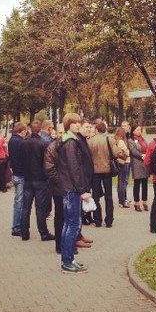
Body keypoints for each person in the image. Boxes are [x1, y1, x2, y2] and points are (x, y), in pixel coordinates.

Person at [57, 113, 92, 274]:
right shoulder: (70, 142)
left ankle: (69, 259)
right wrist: (82, 190)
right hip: (72, 189)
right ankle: (67, 262)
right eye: (74, 123)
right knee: (73, 225)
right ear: (68, 125)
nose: (78, 125)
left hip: (68, 188)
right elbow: (74, 168)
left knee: (68, 225)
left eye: (79, 122)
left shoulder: (67, 140)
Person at [21, 120, 55, 241]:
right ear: (40, 130)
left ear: (30, 129)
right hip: (40, 179)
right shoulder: (43, 143)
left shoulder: (24, 143)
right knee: (40, 208)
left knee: (26, 207)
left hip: (27, 179)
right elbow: (46, 162)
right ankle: (44, 233)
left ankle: (24, 233)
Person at [87, 122, 114, 227]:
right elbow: (116, 153)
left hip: (95, 171)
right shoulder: (109, 139)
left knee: (95, 196)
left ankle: (97, 219)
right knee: (109, 196)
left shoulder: (90, 141)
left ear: (96, 130)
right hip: (107, 170)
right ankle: (109, 220)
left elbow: (87, 155)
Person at [43, 124, 65, 254]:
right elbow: (49, 168)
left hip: (70, 187)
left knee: (70, 217)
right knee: (60, 216)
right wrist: (61, 181)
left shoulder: (71, 145)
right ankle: (59, 245)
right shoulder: (52, 147)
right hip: (58, 188)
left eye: (64, 132)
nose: (62, 135)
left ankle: (68, 244)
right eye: (60, 133)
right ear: (56, 134)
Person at [8, 122, 29, 237]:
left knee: (17, 200)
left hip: (15, 173)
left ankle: (17, 225)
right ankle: (16, 227)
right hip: (21, 174)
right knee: (20, 202)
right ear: (23, 131)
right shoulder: (21, 142)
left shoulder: (11, 140)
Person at [128, 124, 148, 212]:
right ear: (133, 131)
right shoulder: (131, 140)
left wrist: (147, 155)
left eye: (140, 130)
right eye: (137, 130)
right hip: (137, 163)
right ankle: (136, 203)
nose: (139, 131)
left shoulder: (143, 139)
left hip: (145, 163)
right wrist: (141, 156)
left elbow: (147, 147)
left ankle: (145, 201)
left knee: (145, 183)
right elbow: (133, 151)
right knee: (137, 183)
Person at [114, 126, 131, 208]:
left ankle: (121, 199)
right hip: (124, 162)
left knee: (120, 181)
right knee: (123, 182)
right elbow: (126, 152)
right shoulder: (121, 141)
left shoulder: (115, 141)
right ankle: (122, 200)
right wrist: (128, 151)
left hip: (120, 162)